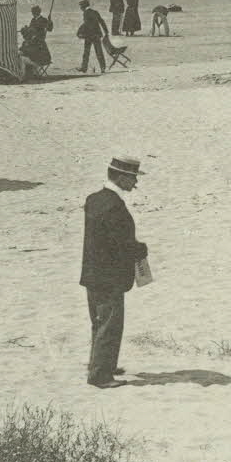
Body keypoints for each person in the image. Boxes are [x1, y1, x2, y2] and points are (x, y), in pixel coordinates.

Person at [79, 156, 149, 388]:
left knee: (98, 322)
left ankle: (101, 364)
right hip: (109, 276)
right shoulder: (114, 205)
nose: (135, 184)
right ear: (120, 177)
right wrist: (140, 249)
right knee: (110, 323)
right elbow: (121, 243)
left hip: (92, 272)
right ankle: (100, 375)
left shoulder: (94, 199)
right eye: (132, 179)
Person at [77, 0, 108, 74]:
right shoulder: (95, 12)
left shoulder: (86, 13)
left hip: (89, 35)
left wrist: (79, 32)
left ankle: (84, 67)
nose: (80, 8)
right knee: (99, 52)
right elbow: (101, 21)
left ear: (83, 6)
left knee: (86, 52)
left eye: (81, 6)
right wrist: (106, 31)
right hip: (97, 34)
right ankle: (103, 68)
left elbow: (86, 24)